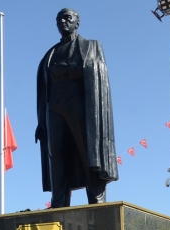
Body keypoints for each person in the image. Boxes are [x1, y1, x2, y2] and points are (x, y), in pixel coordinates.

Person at [35, 8, 118, 208]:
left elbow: (98, 69)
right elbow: (43, 91)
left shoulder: (91, 46)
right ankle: (58, 204)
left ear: (77, 22)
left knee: (88, 153)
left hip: (81, 106)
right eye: (59, 20)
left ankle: (97, 202)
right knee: (57, 157)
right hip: (54, 109)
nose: (63, 22)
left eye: (67, 18)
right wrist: (41, 122)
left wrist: (69, 69)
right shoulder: (50, 54)